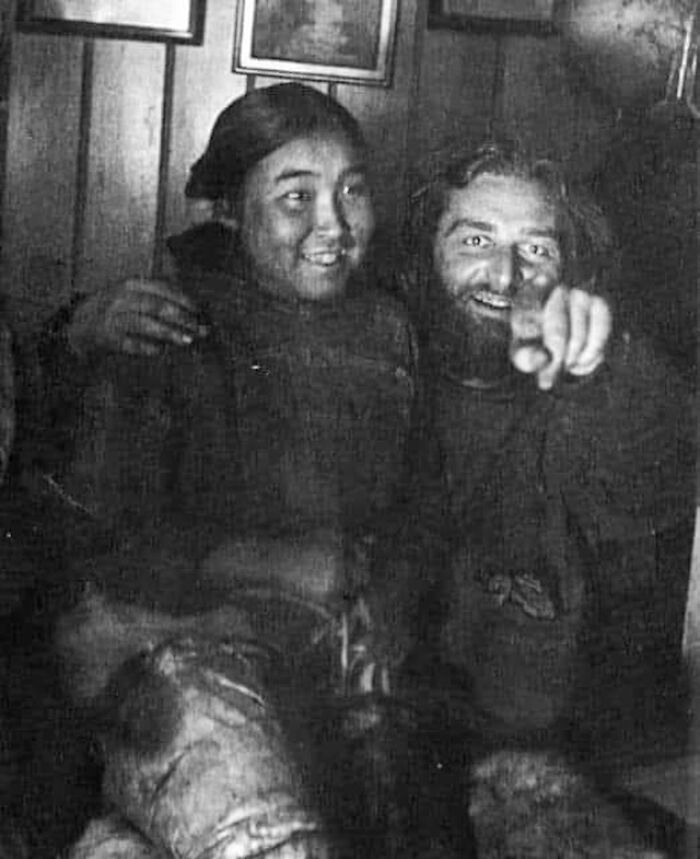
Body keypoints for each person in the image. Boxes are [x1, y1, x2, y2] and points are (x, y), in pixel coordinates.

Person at [25, 88, 611, 858]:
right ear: (228, 209)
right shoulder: (163, 326)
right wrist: (278, 563)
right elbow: (94, 556)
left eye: (353, 191)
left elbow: (419, 514)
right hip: (178, 673)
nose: (333, 225)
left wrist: (380, 599)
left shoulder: (388, 330)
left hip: (339, 679)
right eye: (296, 197)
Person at [400, 140, 695, 753]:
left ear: (569, 273)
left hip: (534, 748)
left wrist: (604, 365)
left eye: (536, 249)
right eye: (474, 242)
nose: (507, 277)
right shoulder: (384, 365)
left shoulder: (594, 387)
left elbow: (661, 475)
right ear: (425, 254)